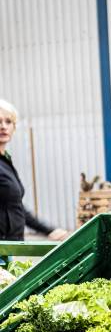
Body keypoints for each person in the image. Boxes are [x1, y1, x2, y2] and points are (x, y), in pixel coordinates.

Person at [0, 100, 68, 249]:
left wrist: (48, 230)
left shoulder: (5, 162)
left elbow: (16, 207)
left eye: (8, 121)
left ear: (14, 127)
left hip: (11, 247)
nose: (3, 126)